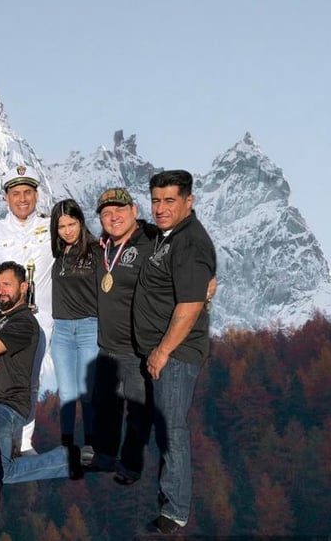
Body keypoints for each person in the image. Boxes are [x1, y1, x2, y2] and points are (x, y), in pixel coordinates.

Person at [0, 262, 82, 528]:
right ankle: (69, 460)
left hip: (8, 407)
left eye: (7, 284)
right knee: (4, 471)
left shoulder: (23, 322)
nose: (0, 290)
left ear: (23, 287)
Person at [133, 170, 217, 534]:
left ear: (189, 201)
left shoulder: (190, 243)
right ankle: (170, 501)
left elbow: (190, 305)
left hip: (176, 355)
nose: (161, 208)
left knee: (172, 429)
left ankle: (176, 512)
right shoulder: (167, 236)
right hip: (157, 352)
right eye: (156, 200)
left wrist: (163, 351)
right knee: (162, 427)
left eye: (170, 201)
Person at [0, 165, 52, 454]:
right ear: (6, 197)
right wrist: (4, 302)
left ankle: (25, 441)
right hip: (5, 319)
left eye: (27, 193)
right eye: (15, 193)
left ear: (36, 195)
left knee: (33, 377)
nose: (22, 199)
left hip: (41, 318)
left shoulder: (50, 226)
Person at [92, 187, 156, 485]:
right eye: (106, 213)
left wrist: (206, 280)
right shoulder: (103, 248)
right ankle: (105, 456)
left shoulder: (152, 242)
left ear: (134, 211)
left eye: (119, 210)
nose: (113, 216)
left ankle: (130, 465)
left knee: (139, 410)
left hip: (139, 347)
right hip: (107, 346)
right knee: (105, 404)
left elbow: (184, 254)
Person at [49, 199, 98, 463]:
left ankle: (90, 443)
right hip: (62, 331)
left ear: (81, 222)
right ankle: (67, 445)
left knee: (86, 390)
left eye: (72, 223)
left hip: (90, 326)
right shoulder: (57, 256)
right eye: (62, 226)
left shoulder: (96, 250)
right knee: (66, 392)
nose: (68, 230)